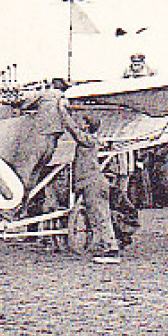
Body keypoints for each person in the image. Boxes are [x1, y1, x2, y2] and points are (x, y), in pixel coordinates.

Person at [64, 108, 121, 263]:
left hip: (93, 183)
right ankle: (105, 246)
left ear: (87, 125)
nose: (79, 124)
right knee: (98, 215)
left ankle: (110, 248)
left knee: (100, 215)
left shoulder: (88, 140)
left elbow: (73, 130)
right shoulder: (91, 140)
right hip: (94, 183)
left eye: (82, 122)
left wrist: (63, 112)